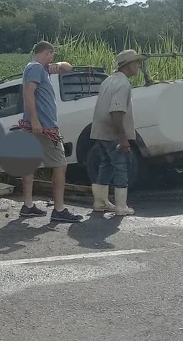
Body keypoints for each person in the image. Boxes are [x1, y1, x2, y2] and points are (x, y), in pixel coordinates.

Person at [16, 41, 84, 223]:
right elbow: (28, 94)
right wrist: (36, 121)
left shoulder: (39, 68)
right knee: (60, 165)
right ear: (48, 53)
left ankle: (28, 206)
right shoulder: (37, 69)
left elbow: (67, 68)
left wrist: (59, 65)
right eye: (52, 55)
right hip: (44, 127)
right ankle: (59, 209)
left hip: (39, 126)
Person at [89, 49, 146, 216]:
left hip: (99, 131)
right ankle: (121, 206)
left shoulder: (109, 80)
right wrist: (123, 138)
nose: (138, 66)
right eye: (136, 63)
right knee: (121, 166)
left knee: (106, 164)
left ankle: (100, 202)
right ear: (127, 65)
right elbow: (116, 111)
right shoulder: (123, 84)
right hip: (111, 132)